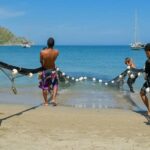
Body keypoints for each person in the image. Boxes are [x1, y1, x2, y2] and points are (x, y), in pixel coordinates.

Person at [39, 37, 59, 106]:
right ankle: (53, 99)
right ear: (53, 44)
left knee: (45, 86)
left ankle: (46, 102)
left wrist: (43, 66)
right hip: (53, 70)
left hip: (45, 70)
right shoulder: (56, 52)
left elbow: (41, 61)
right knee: (55, 84)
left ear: (47, 44)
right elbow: (54, 60)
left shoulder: (42, 52)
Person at [140, 43, 150, 116]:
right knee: (142, 93)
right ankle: (149, 109)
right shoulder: (147, 62)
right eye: (145, 53)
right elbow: (146, 72)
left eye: (146, 52)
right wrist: (145, 76)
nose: (146, 54)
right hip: (148, 81)